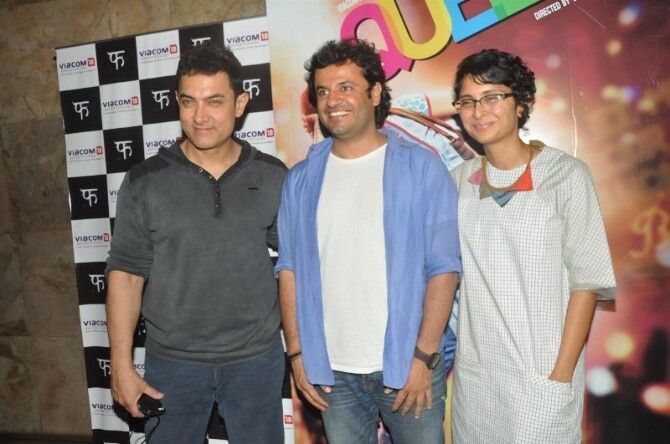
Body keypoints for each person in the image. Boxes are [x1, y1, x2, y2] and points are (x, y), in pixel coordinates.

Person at [275, 39, 461, 444]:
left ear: (374, 92)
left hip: (408, 366)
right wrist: (297, 355)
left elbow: (444, 268)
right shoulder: (301, 179)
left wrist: (422, 358)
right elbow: (287, 268)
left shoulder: (421, 167)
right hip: (332, 377)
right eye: (322, 91)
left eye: (345, 87)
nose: (332, 100)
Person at [105, 42, 287, 443]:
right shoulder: (144, 180)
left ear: (241, 103)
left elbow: (295, 266)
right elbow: (126, 275)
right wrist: (120, 363)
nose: (199, 116)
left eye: (215, 101)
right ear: (176, 102)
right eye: (189, 102)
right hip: (173, 364)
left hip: (256, 360)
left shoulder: (274, 176)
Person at [449, 49, 617, 443]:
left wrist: (560, 375)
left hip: (541, 375)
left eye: (493, 96)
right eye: (468, 101)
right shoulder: (458, 181)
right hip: (478, 382)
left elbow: (587, 283)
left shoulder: (565, 176)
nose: (479, 111)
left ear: (521, 103)